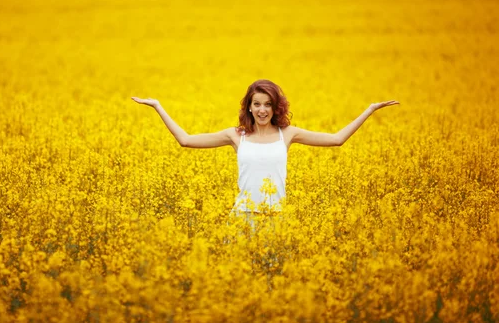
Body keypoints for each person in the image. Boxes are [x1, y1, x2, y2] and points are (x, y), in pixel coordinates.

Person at [131, 79, 399, 223]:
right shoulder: (236, 136)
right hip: (242, 218)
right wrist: (157, 106)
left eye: (268, 104)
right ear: (249, 106)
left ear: (275, 108)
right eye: (256, 104)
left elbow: (337, 139)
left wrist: (370, 109)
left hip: (276, 220)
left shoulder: (288, 134)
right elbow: (186, 140)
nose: (262, 110)